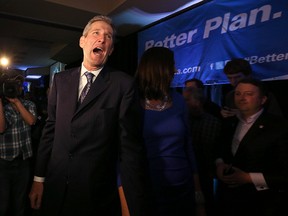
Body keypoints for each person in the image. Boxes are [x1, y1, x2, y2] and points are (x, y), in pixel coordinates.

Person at [29, 15, 151, 216]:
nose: (102, 39)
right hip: (55, 188)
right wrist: (38, 179)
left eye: (108, 36)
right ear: (82, 41)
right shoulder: (60, 80)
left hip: (95, 196)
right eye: (96, 33)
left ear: (110, 50)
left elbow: (129, 149)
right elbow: (49, 131)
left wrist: (130, 200)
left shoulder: (123, 85)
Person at [135, 46, 205, 216]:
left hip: (183, 188)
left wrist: (198, 192)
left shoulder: (180, 101)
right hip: (148, 189)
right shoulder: (132, 103)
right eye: (171, 65)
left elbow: (188, 146)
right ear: (157, 69)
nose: (175, 70)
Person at [215, 78, 288, 216]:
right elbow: (220, 148)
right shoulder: (230, 122)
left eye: (248, 94)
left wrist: (248, 178)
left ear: (263, 99)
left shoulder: (279, 126)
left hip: (262, 203)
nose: (242, 98)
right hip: (229, 200)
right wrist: (219, 164)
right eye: (238, 94)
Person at [0, 71, 37, 216]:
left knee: (19, 204)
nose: (15, 87)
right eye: (10, 85)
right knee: (2, 205)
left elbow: (31, 121)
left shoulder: (29, 104)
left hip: (23, 162)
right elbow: (1, 128)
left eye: (18, 84)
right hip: (3, 163)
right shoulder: (2, 106)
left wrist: (16, 101)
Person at [183, 87, 222, 216]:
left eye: (187, 100)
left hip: (205, 173)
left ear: (198, 101)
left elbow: (216, 150)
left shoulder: (214, 122)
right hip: (187, 173)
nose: (183, 103)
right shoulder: (183, 121)